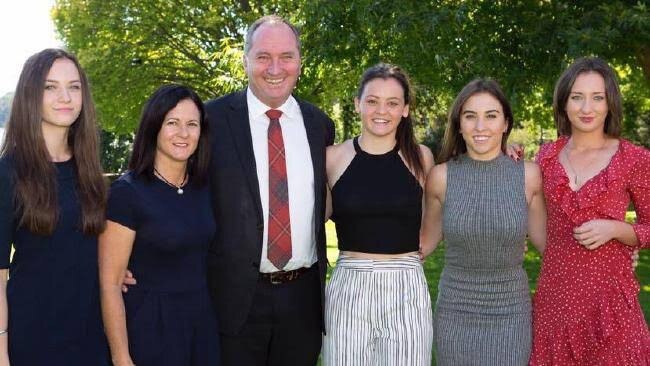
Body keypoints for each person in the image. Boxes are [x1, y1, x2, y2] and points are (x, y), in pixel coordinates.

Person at [204, 15, 334, 365]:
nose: (275, 68)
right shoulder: (210, 122)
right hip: (234, 301)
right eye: (263, 56)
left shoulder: (319, 125)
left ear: (300, 62)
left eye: (286, 56)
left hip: (303, 301)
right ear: (245, 61)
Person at [530, 57, 650, 365]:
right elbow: (537, 226)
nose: (587, 108)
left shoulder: (633, 159)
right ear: (563, 102)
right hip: (555, 303)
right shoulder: (544, 157)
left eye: (597, 97)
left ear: (610, 103)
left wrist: (617, 231)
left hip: (611, 306)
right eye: (577, 97)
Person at [420, 78, 547, 365]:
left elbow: (549, 247)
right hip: (455, 312)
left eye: (491, 116)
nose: (480, 127)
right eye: (470, 116)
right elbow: (424, 244)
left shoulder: (528, 176)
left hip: (511, 314)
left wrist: (610, 255)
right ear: (459, 124)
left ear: (505, 124)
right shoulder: (441, 177)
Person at [0, 49, 109, 365]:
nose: (65, 97)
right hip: (31, 339)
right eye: (51, 87)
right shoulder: (8, 172)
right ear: (31, 94)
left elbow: (84, 246)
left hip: (89, 337)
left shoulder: (88, 171)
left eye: (74, 87)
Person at [322, 63, 435, 365]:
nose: (381, 111)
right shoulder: (333, 157)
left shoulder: (421, 158)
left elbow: (439, 210)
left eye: (392, 103)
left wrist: (506, 153)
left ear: (406, 109)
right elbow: (309, 215)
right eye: (372, 101)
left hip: (406, 285)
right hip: (349, 286)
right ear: (358, 103)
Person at [99, 85, 218, 366]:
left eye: (192, 124)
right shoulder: (127, 193)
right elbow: (111, 284)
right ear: (154, 127)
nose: (183, 133)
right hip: (151, 328)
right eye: (172, 123)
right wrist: (121, 358)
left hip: (201, 326)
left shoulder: (203, 188)